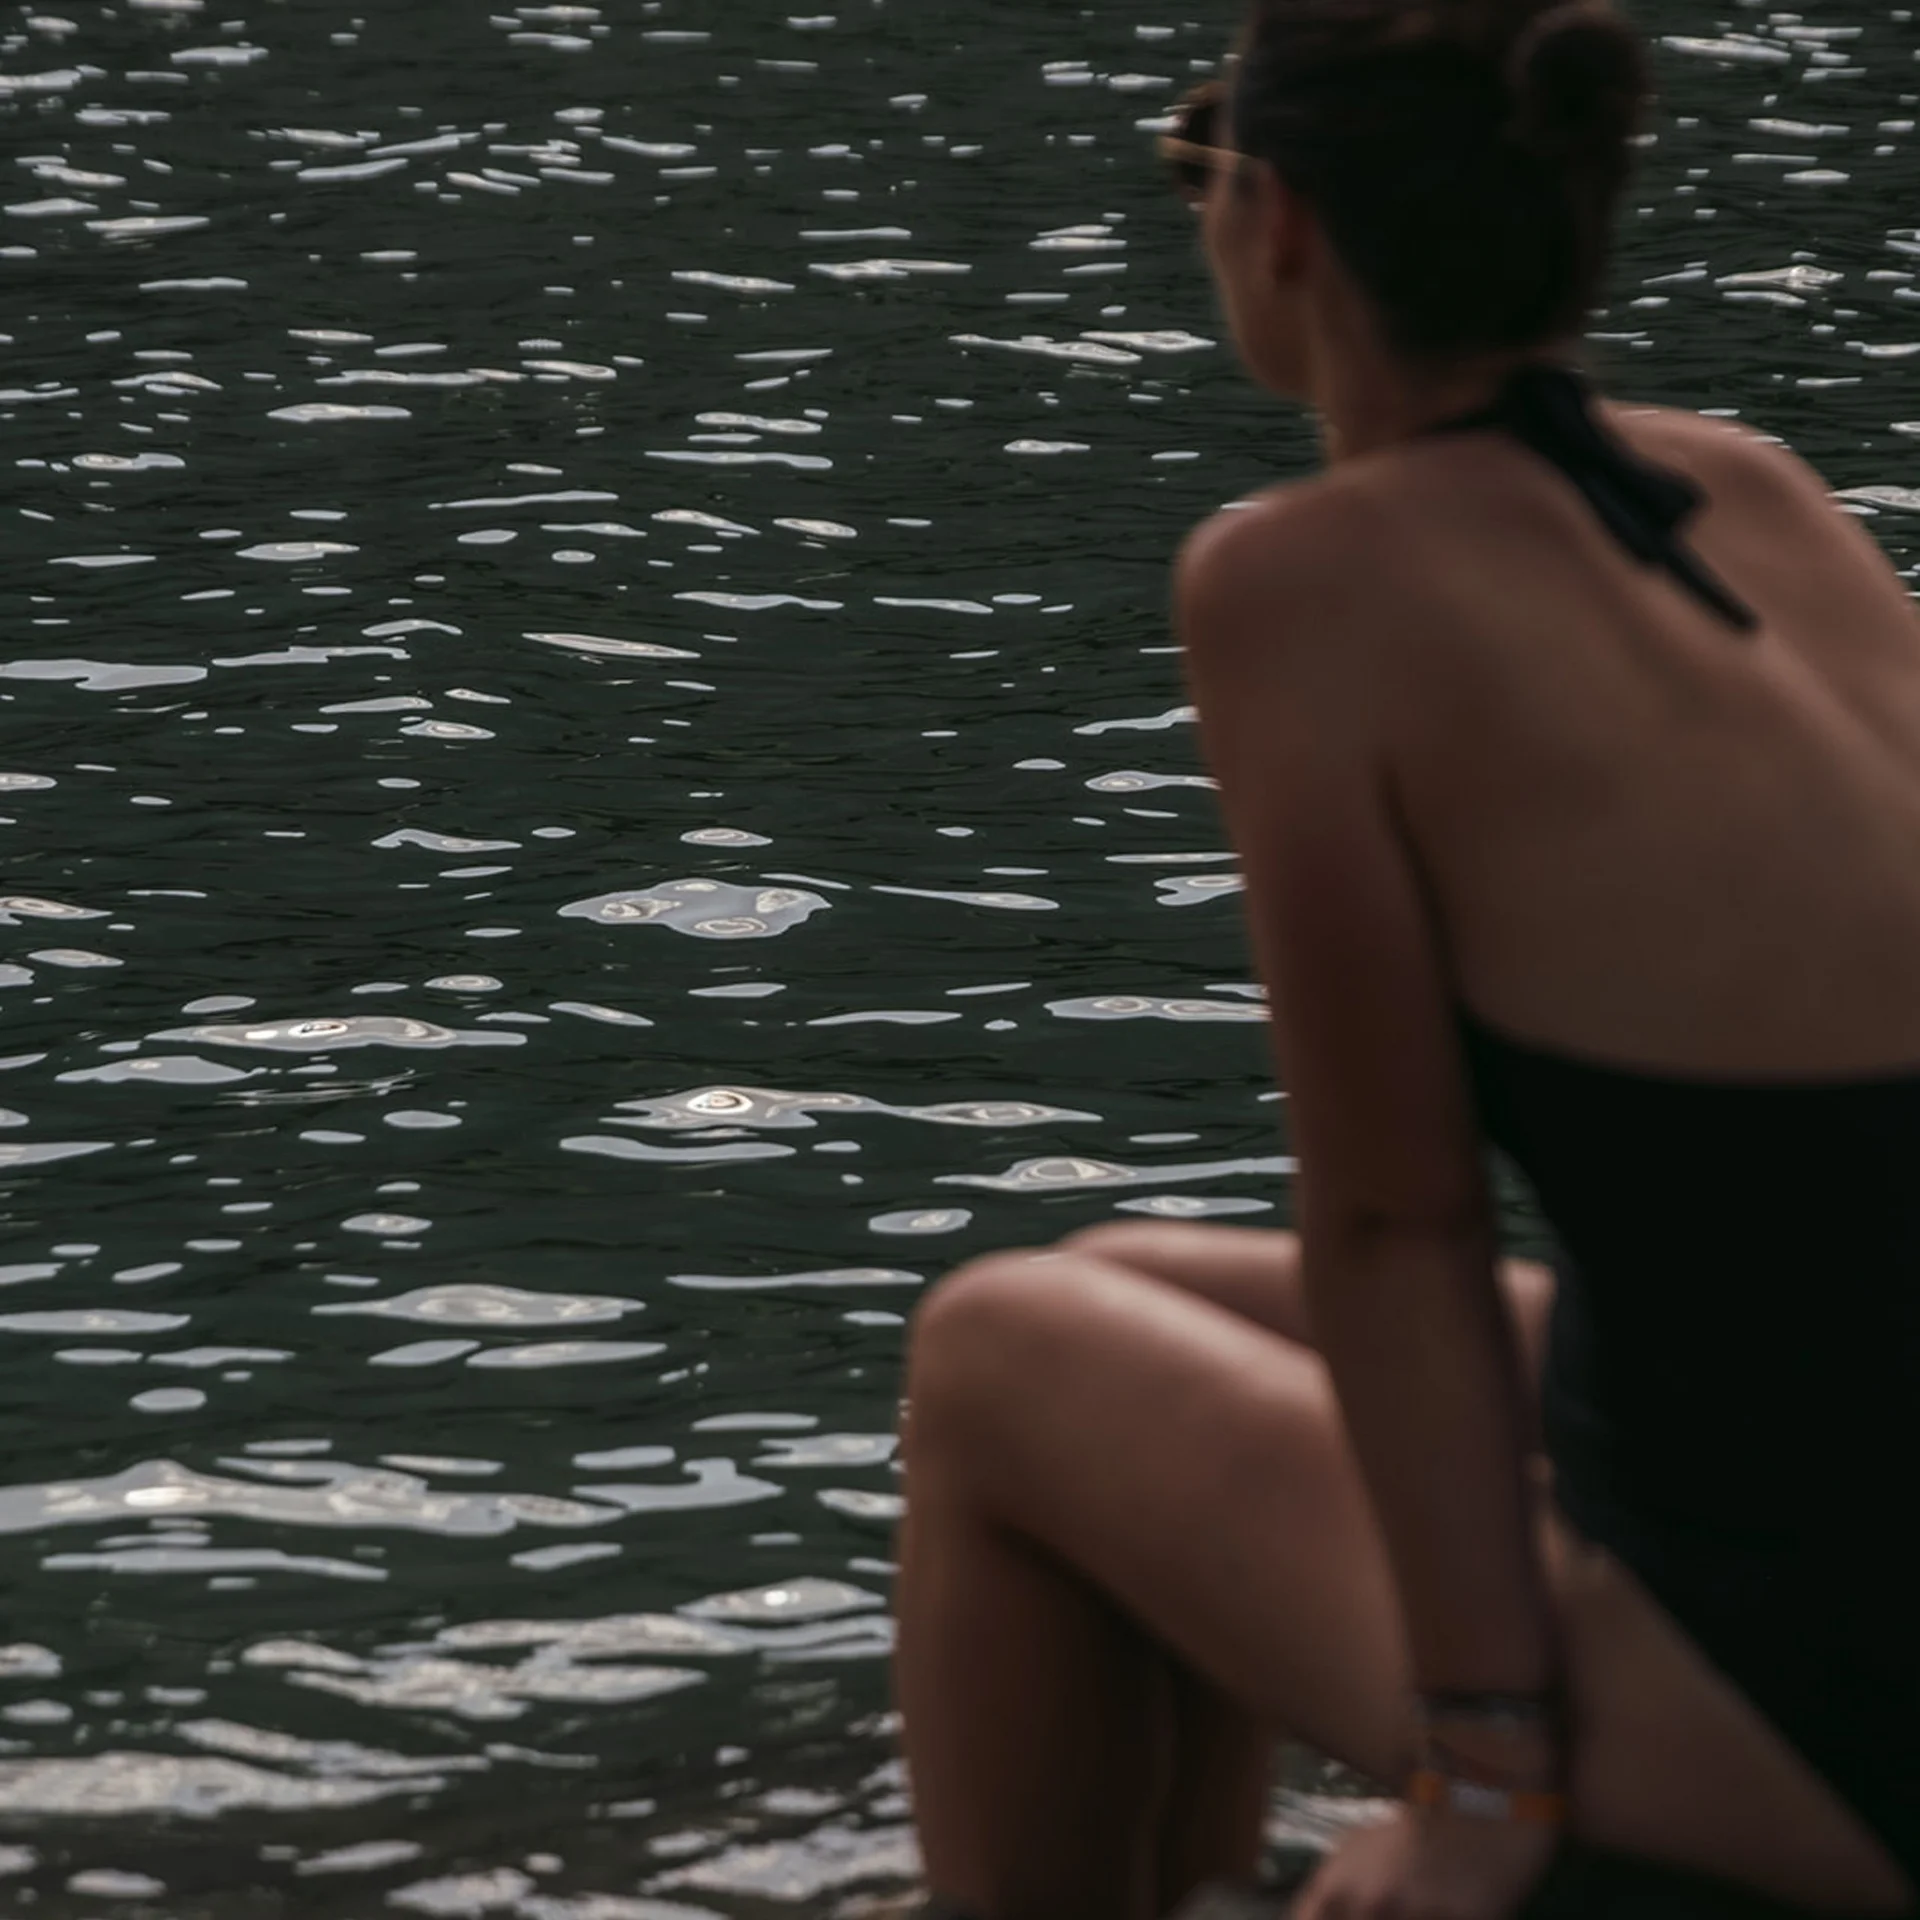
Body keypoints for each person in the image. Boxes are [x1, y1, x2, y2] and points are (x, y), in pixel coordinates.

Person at [890, 1, 1920, 1916]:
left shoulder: (1304, 583)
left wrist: (1480, 1777)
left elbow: (1396, 1228)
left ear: (1275, 218)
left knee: (995, 1358)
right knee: (1114, 1278)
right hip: (1809, 1449)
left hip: (1825, 1686)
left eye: (1199, 162)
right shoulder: (1759, 497)